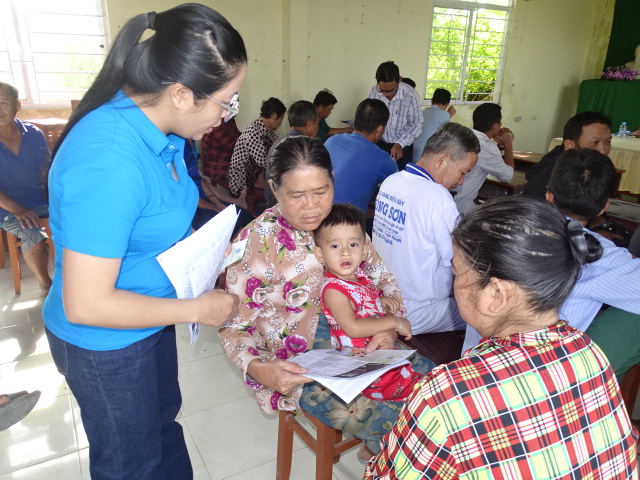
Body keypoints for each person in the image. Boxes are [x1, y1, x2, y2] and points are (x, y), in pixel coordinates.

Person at [43, 5, 243, 479]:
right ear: (181, 94)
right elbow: (87, 304)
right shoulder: (109, 159)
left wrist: (203, 246)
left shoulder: (163, 131)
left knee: (161, 431)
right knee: (131, 465)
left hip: (148, 318)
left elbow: (150, 220)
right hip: (106, 344)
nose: (226, 116)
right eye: (226, 101)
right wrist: (195, 310)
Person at [365, 196, 638, 479]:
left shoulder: (447, 395)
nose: (453, 284)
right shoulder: (589, 353)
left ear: (496, 295)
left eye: (457, 272)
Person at [219, 136, 435, 459]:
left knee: (437, 389)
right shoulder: (254, 244)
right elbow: (232, 327)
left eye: (321, 192)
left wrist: (387, 330)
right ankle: (389, 451)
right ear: (274, 188)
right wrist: (261, 371)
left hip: (364, 339)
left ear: (333, 180)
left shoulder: (342, 224)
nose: (312, 206)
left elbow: (383, 279)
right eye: (296, 195)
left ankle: (385, 449)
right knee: (405, 423)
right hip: (299, 360)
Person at [462, 149, 640, 381]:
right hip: (533, 378)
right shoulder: (603, 256)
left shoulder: (502, 223)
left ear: (549, 196)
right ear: (603, 208)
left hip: (473, 362)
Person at [372, 122, 479, 334]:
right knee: (487, 310)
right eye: (462, 172)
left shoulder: (391, 181)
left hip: (381, 299)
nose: (461, 181)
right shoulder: (438, 198)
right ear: (441, 160)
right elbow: (461, 259)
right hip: (416, 311)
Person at [314, 203, 421, 401]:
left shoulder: (359, 277)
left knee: (422, 384)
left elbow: (360, 304)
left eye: (353, 245)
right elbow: (353, 327)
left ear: (364, 251)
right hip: (366, 369)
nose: (345, 252)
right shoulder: (333, 290)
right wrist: (394, 322)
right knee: (424, 393)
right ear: (320, 254)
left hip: (379, 356)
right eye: (335, 246)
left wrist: (379, 300)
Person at [0, 82, 52, 297]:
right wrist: (18, 209)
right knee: (32, 232)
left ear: (18, 105)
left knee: (78, 220)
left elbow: (46, 170)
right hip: (8, 206)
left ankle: (76, 280)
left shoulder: (33, 133)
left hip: (40, 198)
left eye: (3, 103)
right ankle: (46, 287)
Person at [325, 98, 396, 214]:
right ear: (379, 129)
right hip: (349, 220)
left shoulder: (331, 141)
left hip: (319, 213)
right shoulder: (382, 159)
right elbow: (399, 186)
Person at [523, 111, 612, 199]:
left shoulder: (594, 167)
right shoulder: (552, 175)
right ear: (569, 145)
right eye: (595, 142)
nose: (603, 151)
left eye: (608, 142)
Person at [184, 139, 253, 237]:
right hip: (191, 209)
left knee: (245, 216)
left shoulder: (191, 143)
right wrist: (216, 208)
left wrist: (217, 203)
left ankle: (237, 202)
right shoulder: (178, 149)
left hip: (201, 198)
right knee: (233, 226)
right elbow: (189, 198)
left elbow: (199, 179)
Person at [454, 102, 514, 214]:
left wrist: (500, 147)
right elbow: (507, 176)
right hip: (461, 207)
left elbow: (488, 160)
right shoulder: (487, 147)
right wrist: (508, 145)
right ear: (494, 126)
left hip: (447, 198)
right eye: (500, 123)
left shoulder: (462, 135)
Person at [263, 100, 319, 208]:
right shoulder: (307, 147)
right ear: (309, 124)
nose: (318, 127)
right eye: (317, 123)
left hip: (271, 203)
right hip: (289, 208)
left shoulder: (278, 143)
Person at [367, 61, 423, 170]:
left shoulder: (411, 95)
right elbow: (370, 116)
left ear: (400, 79)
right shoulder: (374, 92)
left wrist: (400, 143)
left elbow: (417, 123)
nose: (387, 95)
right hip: (379, 142)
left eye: (392, 90)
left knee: (400, 176)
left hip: (403, 145)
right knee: (377, 175)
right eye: (383, 91)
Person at [227, 97, 286, 196]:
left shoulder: (267, 131)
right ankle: (259, 182)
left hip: (252, 175)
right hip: (241, 180)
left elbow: (280, 145)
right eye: (281, 118)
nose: (281, 122)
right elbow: (263, 161)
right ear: (274, 116)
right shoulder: (253, 132)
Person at [411, 88, 456, 163]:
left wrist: (448, 115)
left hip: (413, 149)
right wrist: (448, 115)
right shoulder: (444, 114)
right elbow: (446, 134)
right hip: (425, 152)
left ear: (431, 100)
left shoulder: (425, 111)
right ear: (447, 104)